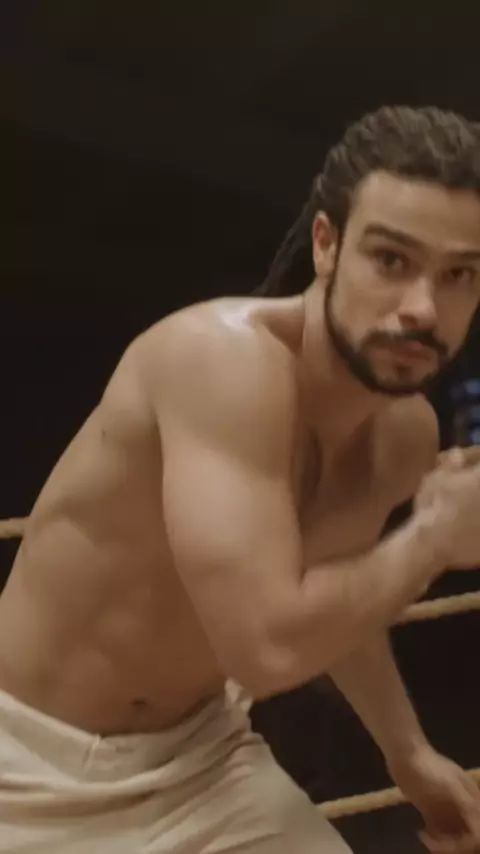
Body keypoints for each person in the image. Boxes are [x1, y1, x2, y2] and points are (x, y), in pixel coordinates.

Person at [1, 105, 480, 854]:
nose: (422, 307)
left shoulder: (404, 435)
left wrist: (407, 750)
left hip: (199, 759)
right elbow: (267, 648)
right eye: (391, 260)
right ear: (326, 245)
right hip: (22, 764)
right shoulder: (220, 363)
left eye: (459, 275)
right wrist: (432, 539)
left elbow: (335, 597)